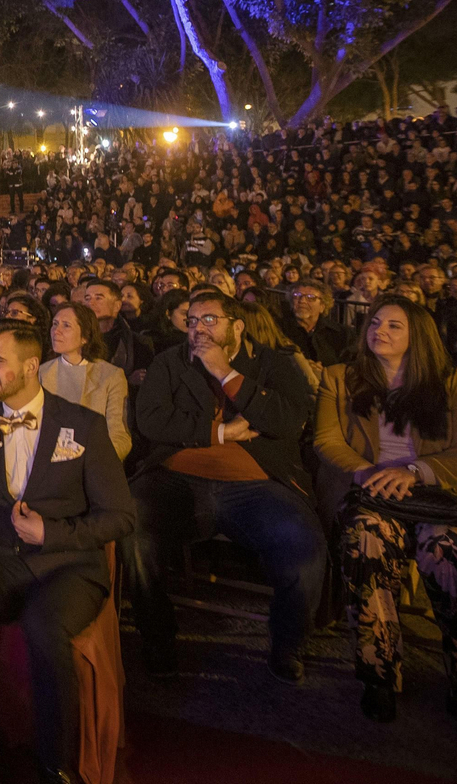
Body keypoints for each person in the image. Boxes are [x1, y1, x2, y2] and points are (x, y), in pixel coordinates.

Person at [314, 296, 457, 722]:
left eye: (395, 326)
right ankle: (378, 672)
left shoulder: (455, 385)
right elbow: (327, 441)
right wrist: (364, 473)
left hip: (440, 493)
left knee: (449, 548)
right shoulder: (340, 378)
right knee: (368, 540)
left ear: (419, 337)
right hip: (370, 491)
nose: (380, 330)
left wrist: (416, 470)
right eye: (375, 322)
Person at [0, 319, 135, 780]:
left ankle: (55, 766)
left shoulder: (82, 423)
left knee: (43, 628)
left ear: (30, 366)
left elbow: (121, 516)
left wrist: (52, 534)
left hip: (68, 567)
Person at [129, 290, 325, 683]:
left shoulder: (273, 363)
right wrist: (218, 432)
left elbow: (286, 421)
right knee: (130, 528)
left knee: (304, 544)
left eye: (209, 320)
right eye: (192, 321)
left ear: (237, 325)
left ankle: (287, 643)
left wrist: (226, 374)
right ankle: (157, 634)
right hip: (177, 477)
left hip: (255, 484)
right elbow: (151, 420)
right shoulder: (170, 362)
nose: (198, 328)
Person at [40, 301, 132, 461]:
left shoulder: (111, 376)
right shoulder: (41, 373)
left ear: (85, 336)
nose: (56, 331)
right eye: (55, 324)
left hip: (94, 462)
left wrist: (94, 465)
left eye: (66, 325)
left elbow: (119, 434)